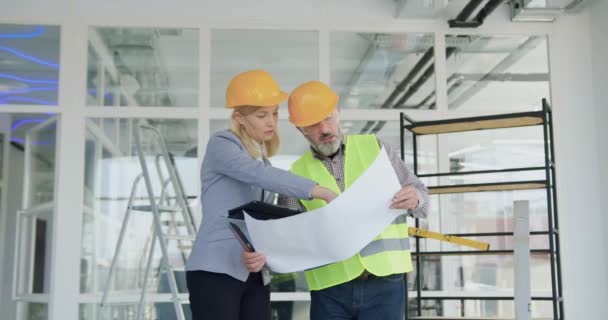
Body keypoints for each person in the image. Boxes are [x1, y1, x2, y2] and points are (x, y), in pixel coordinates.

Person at [185, 71, 337, 320]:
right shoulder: (222, 145)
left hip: (254, 272)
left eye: (275, 113)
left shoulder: (261, 160)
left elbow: (261, 220)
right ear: (239, 118)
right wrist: (318, 190)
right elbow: (257, 175)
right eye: (261, 115)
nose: (271, 122)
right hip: (216, 271)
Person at [277, 80, 430, 320]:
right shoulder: (294, 176)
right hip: (330, 289)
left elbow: (420, 191)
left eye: (328, 118)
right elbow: (289, 237)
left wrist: (416, 198)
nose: (324, 129)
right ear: (300, 130)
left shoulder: (376, 148)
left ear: (338, 113)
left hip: (385, 283)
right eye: (313, 125)